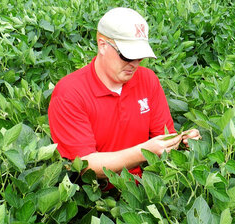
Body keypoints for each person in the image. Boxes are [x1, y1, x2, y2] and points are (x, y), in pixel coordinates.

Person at [48, 7, 200, 181]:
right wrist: (145, 152)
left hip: (146, 188)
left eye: (140, 56)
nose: (134, 64)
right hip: (98, 196)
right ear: (102, 44)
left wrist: (181, 141)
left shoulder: (147, 79)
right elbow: (85, 165)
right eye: (127, 56)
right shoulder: (70, 93)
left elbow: (162, 138)